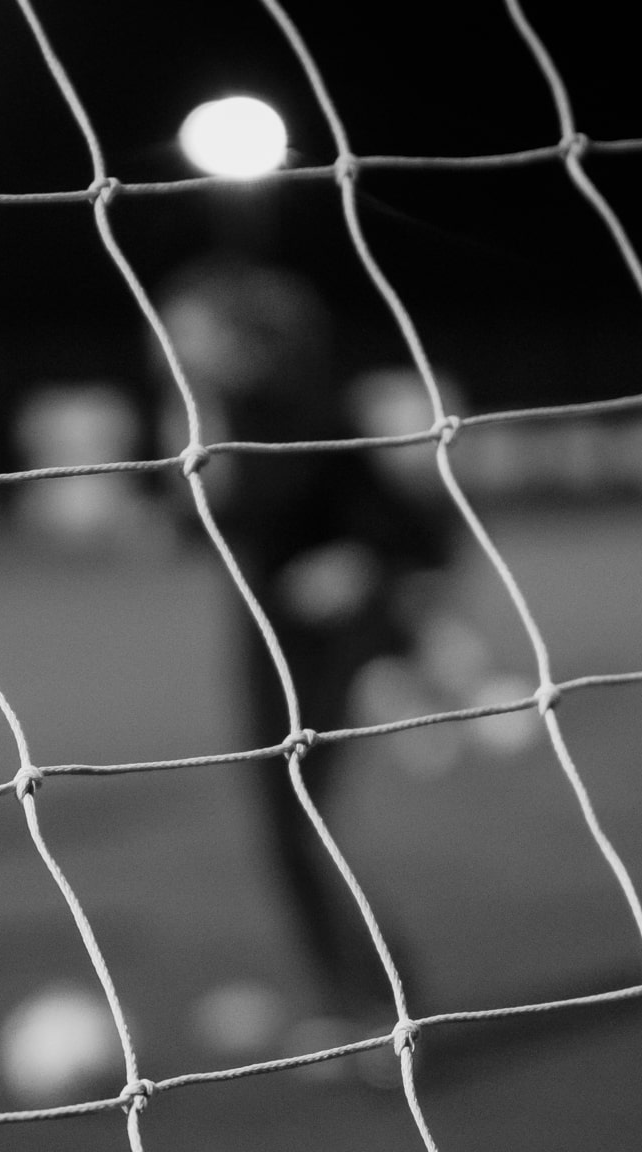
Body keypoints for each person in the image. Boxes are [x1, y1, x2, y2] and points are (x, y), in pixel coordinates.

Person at [156, 258, 456, 1051]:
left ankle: (381, 1011)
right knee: (283, 823)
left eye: (189, 326)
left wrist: (361, 562)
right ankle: (353, 1004)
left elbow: (414, 529)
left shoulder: (306, 407)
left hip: (325, 640)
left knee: (298, 819)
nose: (172, 341)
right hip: (265, 637)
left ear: (243, 337)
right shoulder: (217, 413)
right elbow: (216, 524)